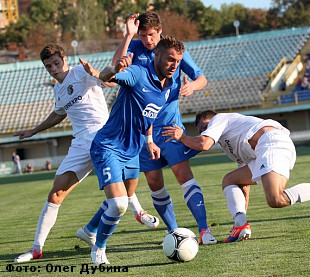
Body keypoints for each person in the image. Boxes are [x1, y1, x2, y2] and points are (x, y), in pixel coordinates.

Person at [162, 110, 310, 243]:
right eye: (202, 129)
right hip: (267, 149)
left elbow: (203, 144)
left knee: (276, 199)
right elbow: (243, 186)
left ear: (212, 120)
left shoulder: (219, 119)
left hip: (271, 142)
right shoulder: (229, 145)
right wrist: (241, 221)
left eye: (206, 126)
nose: (206, 130)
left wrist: (182, 137)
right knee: (230, 180)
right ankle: (240, 225)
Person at [108, 11, 216, 244]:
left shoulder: (171, 50)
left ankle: (204, 230)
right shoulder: (135, 47)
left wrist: (192, 87)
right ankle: (174, 232)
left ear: (160, 31)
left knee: (182, 173)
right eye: (143, 35)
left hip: (169, 128)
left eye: (152, 35)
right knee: (155, 181)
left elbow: (201, 78)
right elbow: (114, 67)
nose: (148, 40)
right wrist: (128, 36)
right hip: (143, 130)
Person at [85, 36, 185, 265]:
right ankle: (98, 249)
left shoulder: (169, 86)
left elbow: (147, 113)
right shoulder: (138, 73)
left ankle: (89, 229)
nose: (174, 65)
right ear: (157, 55)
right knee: (119, 204)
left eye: (178, 61)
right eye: (170, 59)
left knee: (126, 196)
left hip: (133, 150)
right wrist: (115, 68)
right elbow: (105, 77)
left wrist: (149, 140)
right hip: (108, 145)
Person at [13, 44, 110, 263]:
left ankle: (136, 214)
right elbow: (58, 114)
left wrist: (97, 73)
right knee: (55, 194)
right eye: (48, 66)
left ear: (64, 59)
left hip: (102, 136)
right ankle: (37, 248)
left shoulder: (80, 72)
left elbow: (108, 80)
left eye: (56, 63)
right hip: (80, 144)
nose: (53, 69)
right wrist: (33, 130)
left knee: (118, 194)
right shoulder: (58, 90)